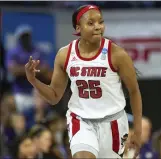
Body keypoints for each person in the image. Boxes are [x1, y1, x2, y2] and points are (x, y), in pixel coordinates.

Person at [25, 4, 142, 158]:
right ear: (78, 28)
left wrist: (138, 131)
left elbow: (134, 92)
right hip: (81, 120)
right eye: (91, 23)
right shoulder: (65, 55)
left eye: (101, 22)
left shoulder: (117, 54)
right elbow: (54, 97)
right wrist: (33, 80)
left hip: (113, 122)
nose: (98, 27)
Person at [6, 25, 52, 112]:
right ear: (19, 38)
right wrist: (31, 69)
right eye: (23, 36)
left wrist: (24, 69)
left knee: (42, 108)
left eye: (27, 36)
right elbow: (13, 70)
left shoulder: (37, 51)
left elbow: (45, 68)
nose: (26, 39)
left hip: (35, 91)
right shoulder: (13, 52)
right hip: (19, 92)